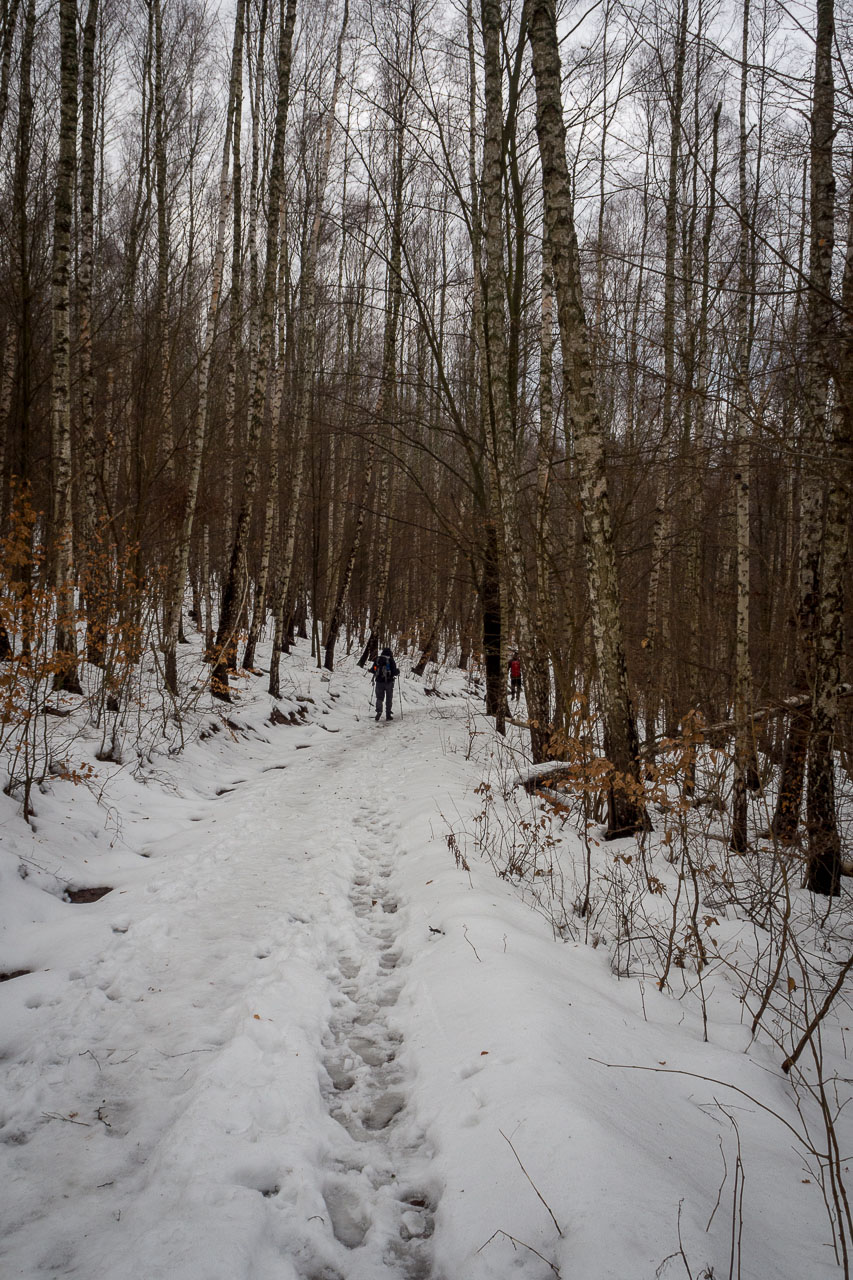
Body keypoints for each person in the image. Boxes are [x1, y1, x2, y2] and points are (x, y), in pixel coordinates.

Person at [371, 647, 399, 721]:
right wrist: (397, 671)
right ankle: (388, 714)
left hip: (379, 682)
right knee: (389, 698)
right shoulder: (391, 660)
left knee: (379, 698)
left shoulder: (378, 659)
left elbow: (373, 669)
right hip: (389, 682)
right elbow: (394, 672)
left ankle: (379, 711)